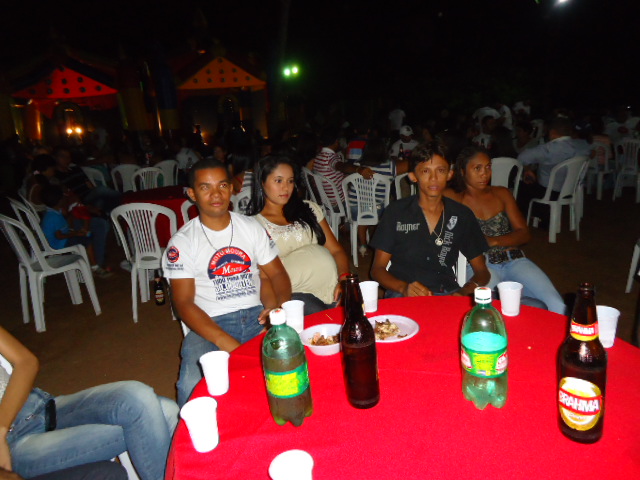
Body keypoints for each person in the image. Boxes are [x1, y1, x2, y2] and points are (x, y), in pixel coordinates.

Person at [163, 159, 292, 406]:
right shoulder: (183, 242)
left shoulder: (250, 227)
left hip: (257, 317)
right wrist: (226, 342)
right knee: (191, 383)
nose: (216, 194)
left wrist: (278, 310)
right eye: (205, 187)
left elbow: (277, 274)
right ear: (192, 194)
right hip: (209, 324)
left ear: (232, 188)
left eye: (222, 185)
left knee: (294, 360)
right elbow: (183, 303)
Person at [0, 326, 178, 480]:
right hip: (14, 446)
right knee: (163, 413)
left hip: (41, 407)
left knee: (138, 396)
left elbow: (26, 362)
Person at [445, 146, 566, 314]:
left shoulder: (501, 193)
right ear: (462, 171)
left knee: (557, 305)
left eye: (488, 167)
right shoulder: (452, 197)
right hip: (480, 266)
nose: (484, 174)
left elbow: (524, 233)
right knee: (488, 310)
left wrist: (494, 241)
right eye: (477, 168)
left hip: (513, 260)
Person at [370, 141, 490, 297]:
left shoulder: (461, 215)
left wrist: (463, 291)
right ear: (413, 176)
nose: (434, 178)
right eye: (425, 171)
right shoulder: (396, 212)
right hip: (402, 294)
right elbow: (377, 269)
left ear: (449, 174)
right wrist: (403, 288)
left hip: (446, 293)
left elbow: (482, 272)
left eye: (440, 170)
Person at [247, 155, 350, 314]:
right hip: (294, 294)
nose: (286, 188)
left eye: (290, 181)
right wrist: (274, 307)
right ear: (262, 182)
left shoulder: (308, 209)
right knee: (321, 320)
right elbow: (263, 277)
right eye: (278, 181)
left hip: (332, 287)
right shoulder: (254, 225)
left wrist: (343, 278)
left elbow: (336, 250)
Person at [516, 116, 590, 217]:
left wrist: (527, 169)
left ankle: (524, 217)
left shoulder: (548, 148)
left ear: (552, 132)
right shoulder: (582, 147)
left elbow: (521, 157)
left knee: (520, 185)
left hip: (548, 193)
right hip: (571, 190)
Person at [40, 185, 112, 278]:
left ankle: (92, 261)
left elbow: (67, 221)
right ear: (60, 201)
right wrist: (75, 233)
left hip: (62, 239)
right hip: (59, 244)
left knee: (87, 236)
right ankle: (94, 267)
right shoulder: (53, 217)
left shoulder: (55, 211)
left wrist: (73, 228)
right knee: (86, 241)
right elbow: (59, 236)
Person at [311, 127, 374, 206]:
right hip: (338, 201)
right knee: (363, 189)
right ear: (336, 142)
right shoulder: (331, 157)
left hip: (325, 199)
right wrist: (359, 169)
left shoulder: (318, 157)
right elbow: (341, 166)